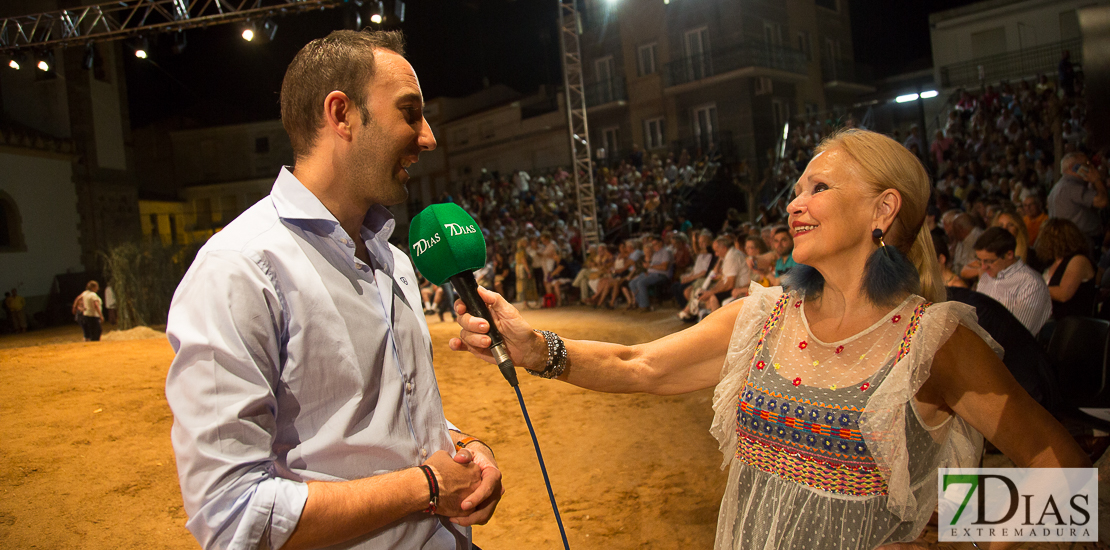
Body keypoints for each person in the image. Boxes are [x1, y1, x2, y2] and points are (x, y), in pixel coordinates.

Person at [450, 129, 1088, 549]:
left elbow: (1064, 471)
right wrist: (535, 348)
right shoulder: (764, 316)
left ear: (883, 211)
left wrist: (947, 536)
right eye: (797, 188)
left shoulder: (932, 341)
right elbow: (639, 363)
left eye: (819, 188)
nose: (794, 203)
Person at [164, 30, 502, 550]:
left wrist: (462, 444)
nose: (429, 137)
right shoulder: (238, 272)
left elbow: (392, 419)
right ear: (341, 114)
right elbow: (233, 514)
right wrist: (429, 486)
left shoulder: (396, 261)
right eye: (410, 113)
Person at [973, 227, 1052, 337]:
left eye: (988, 261)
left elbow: (1018, 334)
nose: (983, 267)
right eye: (979, 260)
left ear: (1009, 255)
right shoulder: (986, 278)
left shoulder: (1031, 283)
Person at [1035, 218, 1097, 320]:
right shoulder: (1049, 262)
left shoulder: (1078, 260)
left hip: (1070, 323)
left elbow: (1063, 294)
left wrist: (1032, 287)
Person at [1047, 151, 1107, 250]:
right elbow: (1102, 201)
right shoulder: (1071, 187)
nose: (1090, 166)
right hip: (1080, 243)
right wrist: (1097, 180)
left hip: (1068, 242)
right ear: (1073, 168)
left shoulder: (1058, 187)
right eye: (1086, 164)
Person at [628, 235, 673, 311]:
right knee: (632, 283)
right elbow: (650, 266)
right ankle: (641, 304)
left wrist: (650, 266)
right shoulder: (655, 254)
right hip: (650, 274)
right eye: (653, 245)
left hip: (660, 275)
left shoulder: (665, 252)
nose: (654, 246)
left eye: (655, 244)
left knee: (640, 283)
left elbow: (664, 267)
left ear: (661, 243)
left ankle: (645, 306)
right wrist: (647, 269)